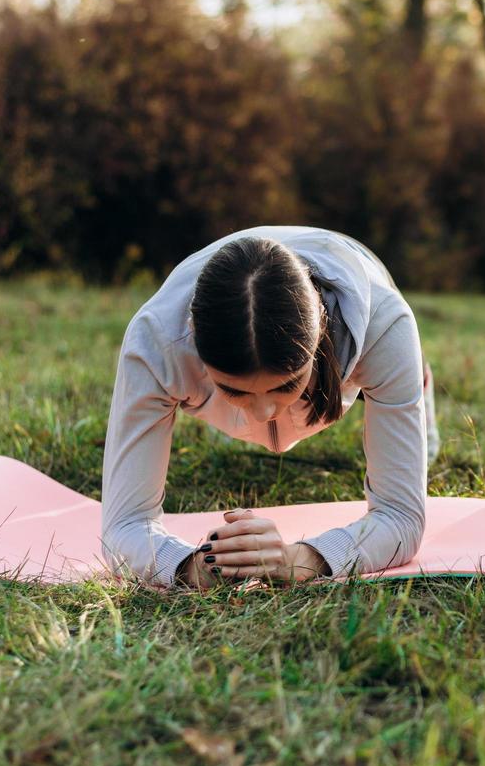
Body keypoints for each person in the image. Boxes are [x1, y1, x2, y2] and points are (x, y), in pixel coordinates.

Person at [100, 227, 438, 590]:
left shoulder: (385, 324)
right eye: (233, 389)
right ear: (192, 342)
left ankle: (416, 378)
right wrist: (192, 567)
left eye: (288, 384)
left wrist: (298, 560)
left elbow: (401, 517)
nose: (263, 413)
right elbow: (123, 525)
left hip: (354, 268)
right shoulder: (156, 342)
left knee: (410, 402)